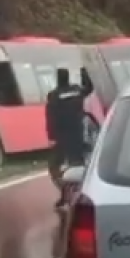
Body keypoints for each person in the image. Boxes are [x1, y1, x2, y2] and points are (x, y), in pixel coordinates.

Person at [46, 67, 93, 207]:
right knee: (79, 163)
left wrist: (51, 136)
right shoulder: (77, 90)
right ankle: (84, 192)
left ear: (58, 78)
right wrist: (85, 74)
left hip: (62, 136)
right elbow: (89, 88)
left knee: (56, 166)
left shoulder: (53, 95)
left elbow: (50, 117)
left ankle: (64, 195)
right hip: (78, 133)